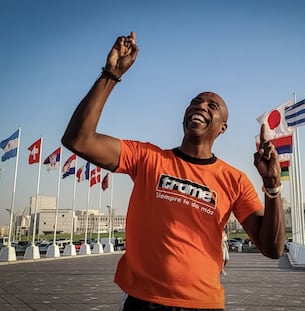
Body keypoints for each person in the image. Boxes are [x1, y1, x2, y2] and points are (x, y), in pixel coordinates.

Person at [61, 31, 285, 310]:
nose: (200, 106)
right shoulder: (146, 157)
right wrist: (111, 74)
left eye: (211, 106)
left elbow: (272, 248)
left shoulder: (234, 180)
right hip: (143, 302)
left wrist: (273, 186)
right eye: (195, 102)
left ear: (222, 128)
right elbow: (78, 139)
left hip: (203, 303)